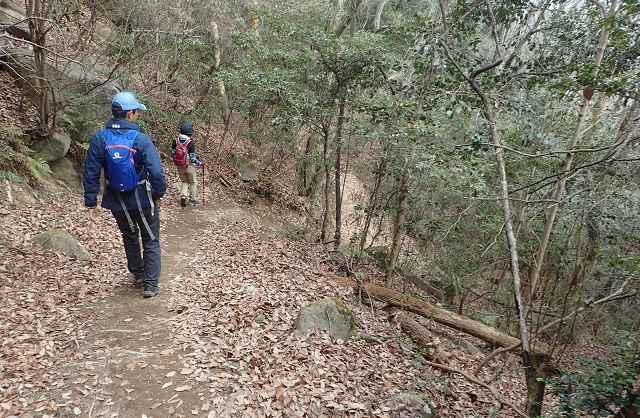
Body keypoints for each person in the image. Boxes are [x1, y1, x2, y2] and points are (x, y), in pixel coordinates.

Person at [83, 91, 167, 298]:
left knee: (129, 235)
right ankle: (150, 284)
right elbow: (156, 171)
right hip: (142, 199)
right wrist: (159, 193)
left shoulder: (99, 138)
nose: (137, 114)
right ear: (129, 114)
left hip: (116, 199)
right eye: (136, 111)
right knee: (151, 238)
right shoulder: (141, 139)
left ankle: (138, 272)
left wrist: (91, 202)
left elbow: (91, 171)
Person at [172, 122, 205, 207]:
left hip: (179, 165)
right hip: (189, 165)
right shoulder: (190, 143)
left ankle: (183, 196)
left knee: (184, 181)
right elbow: (193, 158)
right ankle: (192, 200)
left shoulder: (175, 141)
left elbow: (172, 153)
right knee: (193, 182)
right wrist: (200, 163)